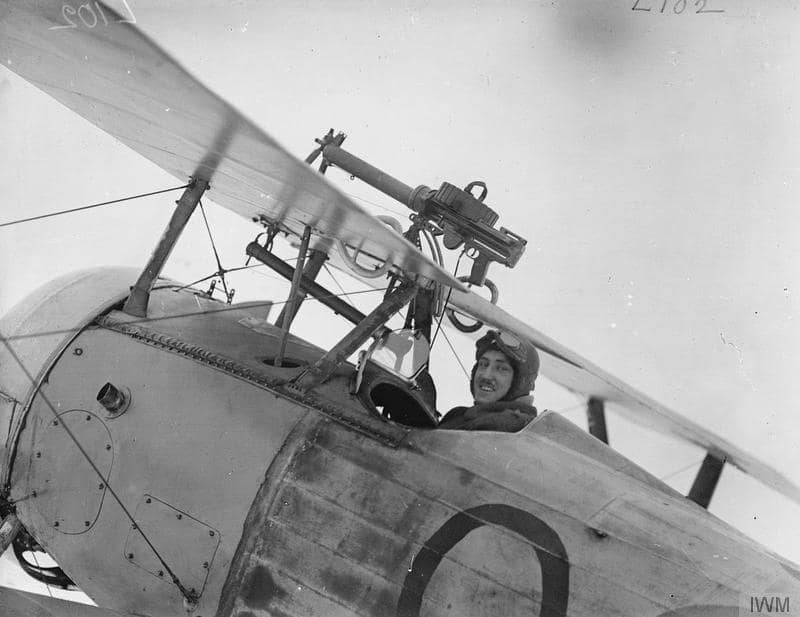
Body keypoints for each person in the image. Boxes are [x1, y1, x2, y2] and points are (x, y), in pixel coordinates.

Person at [438, 329, 539, 432]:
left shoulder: (506, 426)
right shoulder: (459, 415)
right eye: (483, 364)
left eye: (501, 368)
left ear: (521, 382)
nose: (486, 375)